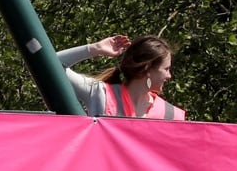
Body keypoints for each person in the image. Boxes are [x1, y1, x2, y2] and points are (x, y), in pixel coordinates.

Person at [57, 34, 185, 120]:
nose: (169, 76)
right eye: (166, 69)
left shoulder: (172, 115)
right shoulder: (101, 94)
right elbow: (48, 64)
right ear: (148, 69)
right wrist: (95, 49)